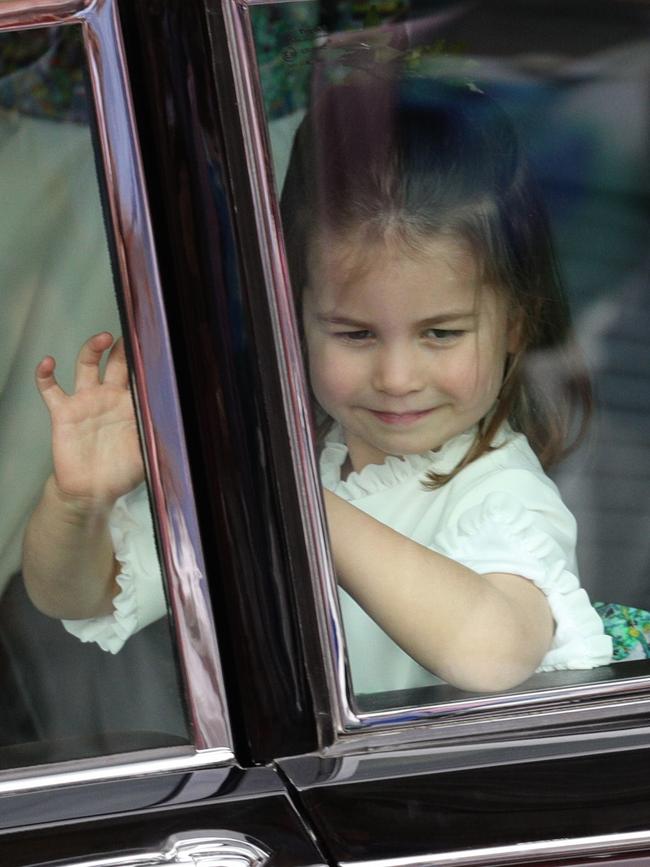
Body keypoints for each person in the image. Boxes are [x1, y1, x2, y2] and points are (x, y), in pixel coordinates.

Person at [22, 73, 612, 695]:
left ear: (515, 325)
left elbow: (496, 655)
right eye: (355, 335)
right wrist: (77, 503)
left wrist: (298, 500)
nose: (397, 377)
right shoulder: (312, 458)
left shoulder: (499, 492)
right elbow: (78, 594)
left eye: (440, 334)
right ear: (293, 322)